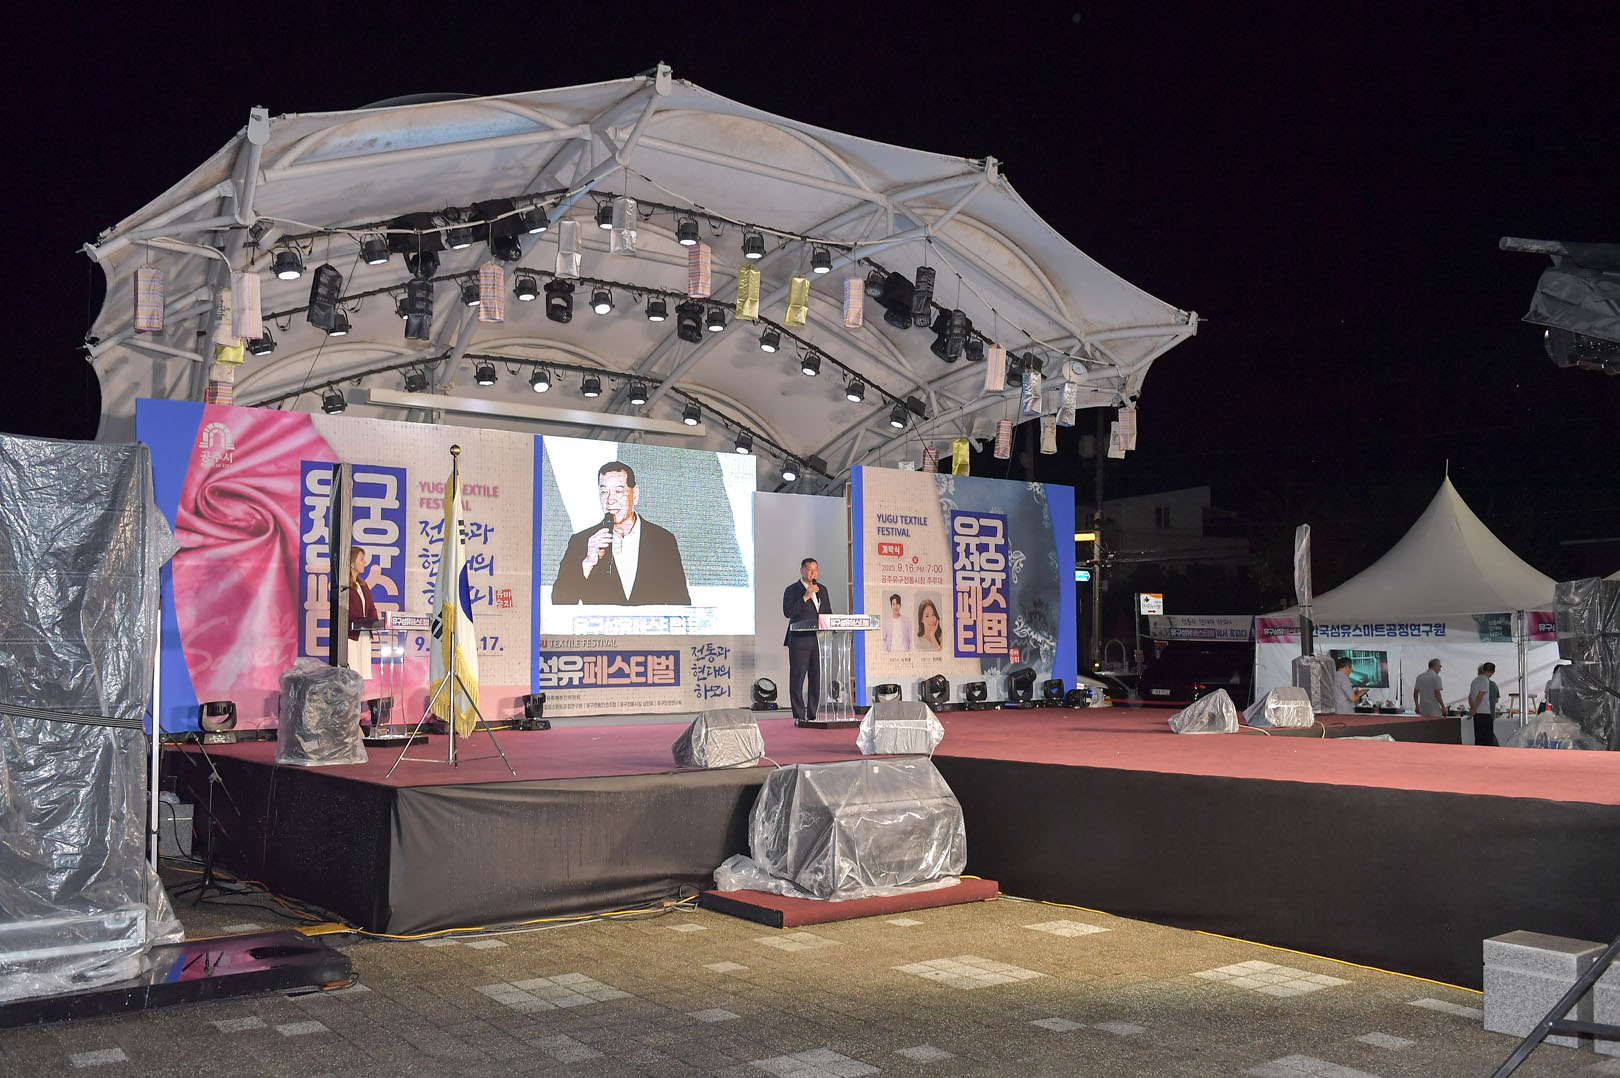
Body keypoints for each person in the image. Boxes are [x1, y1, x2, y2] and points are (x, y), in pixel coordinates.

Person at [552, 461, 690, 605]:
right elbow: (560, 601)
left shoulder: (663, 541)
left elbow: (681, 603)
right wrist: (588, 562)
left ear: (635, 494)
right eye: (604, 492)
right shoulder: (582, 542)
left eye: (618, 491)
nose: (610, 501)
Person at [782, 557, 835, 724]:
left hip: (818, 641)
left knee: (816, 680)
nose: (813, 573)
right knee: (797, 680)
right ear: (802, 571)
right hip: (799, 642)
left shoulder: (822, 589)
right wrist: (805, 597)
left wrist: (832, 628)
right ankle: (799, 715)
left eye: (816, 569)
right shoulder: (792, 590)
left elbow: (828, 613)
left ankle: (812, 715)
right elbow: (788, 612)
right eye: (810, 569)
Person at [345, 544, 379, 682]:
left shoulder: (363, 585)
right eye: (361, 559)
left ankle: (359, 696)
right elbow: (345, 611)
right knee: (351, 674)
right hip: (351, 636)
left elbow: (371, 608)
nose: (365, 563)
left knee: (363, 674)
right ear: (352, 563)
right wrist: (360, 621)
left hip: (364, 635)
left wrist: (374, 622)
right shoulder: (344, 586)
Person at [1469, 662, 1500, 746]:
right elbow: (1480, 695)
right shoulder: (1485, 681)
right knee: (1487, 740)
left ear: (1483, 669)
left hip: (1477, 714)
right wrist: (1474, 709)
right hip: (1485, 713)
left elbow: (1470, 697)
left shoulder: (1474, 681)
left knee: (1478, 738)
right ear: (1493, 672)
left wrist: (1472, 709)